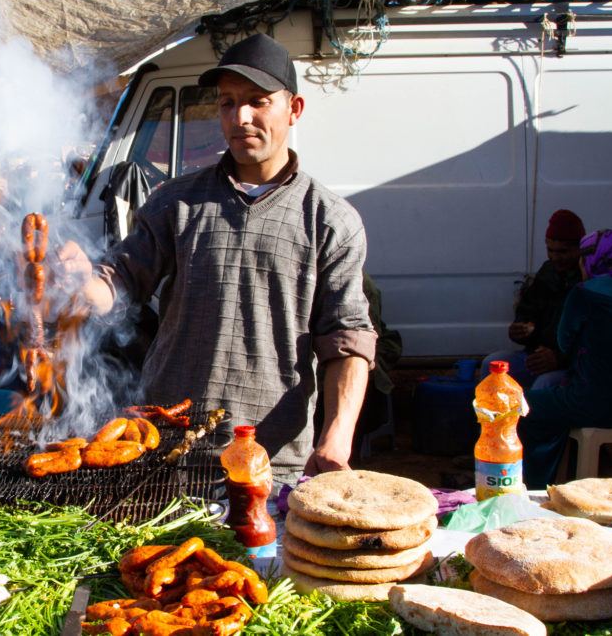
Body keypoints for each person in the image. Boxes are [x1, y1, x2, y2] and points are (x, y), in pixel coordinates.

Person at [59, 33, 376, 479]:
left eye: (257, 101)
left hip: (269, 458)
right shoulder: (177, 200)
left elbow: (348, 339)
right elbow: (121, 278)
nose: (240, 117)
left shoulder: (330, 220)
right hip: (167, 447)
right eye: (227, 103)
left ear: (294, 109)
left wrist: (337, 436)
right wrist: (81, 279)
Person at [520, 229, 612, 488]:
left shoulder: (585, 293)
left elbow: (565, 343)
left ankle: (534, 486)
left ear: (591, 260)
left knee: (523, 407)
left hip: (591, 402)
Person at [482, 209, 585, 389]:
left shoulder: (590, 279)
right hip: (537, 356)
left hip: (574, 365)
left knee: (543, 385)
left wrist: (559, 358)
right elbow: (527, 311)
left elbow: (594, 341)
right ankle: (496, 417)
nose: (555, 257)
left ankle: (534, 417)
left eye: (563, 252)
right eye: (550, 250)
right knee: (492, 365)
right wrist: (519, 330)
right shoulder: (548, 272)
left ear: (579, 249)